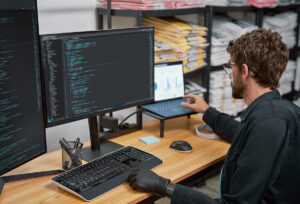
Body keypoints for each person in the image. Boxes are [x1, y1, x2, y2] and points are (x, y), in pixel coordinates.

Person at [127, 28, 300, 203]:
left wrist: (163, 186)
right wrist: (207, 111)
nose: (230, 74)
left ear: (245, 71)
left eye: (231, 66)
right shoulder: (280, 112)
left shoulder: (267, 125)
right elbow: (242, 134)